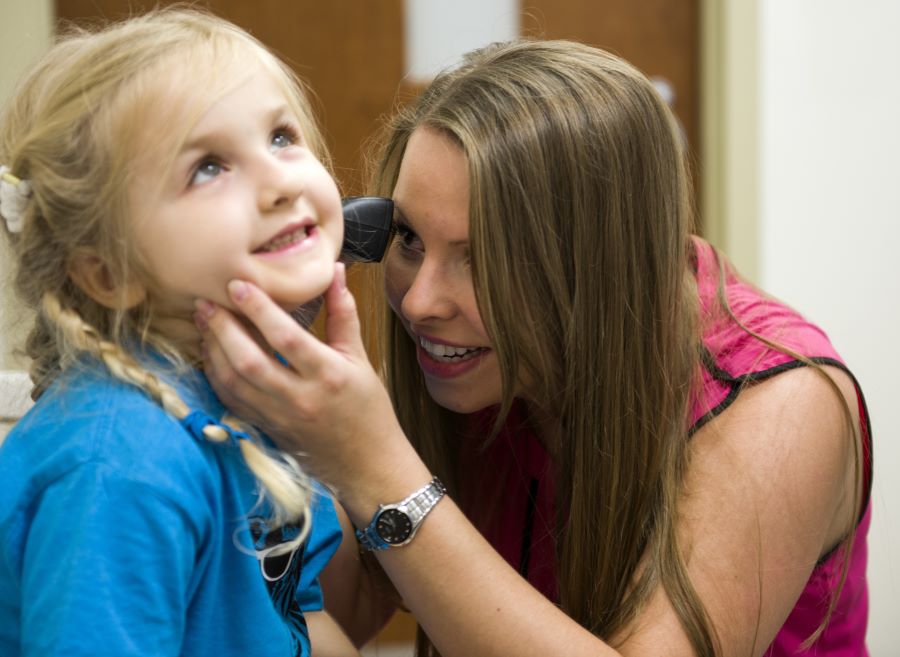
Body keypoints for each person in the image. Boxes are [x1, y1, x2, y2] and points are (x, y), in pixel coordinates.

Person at [197, 40, 872, 657]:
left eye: (482, 257)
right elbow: (329, 610)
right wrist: (273, 410)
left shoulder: (781, 400)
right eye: (408, 239)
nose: (423, 300)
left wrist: (378, 470)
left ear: (602, 267)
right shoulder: (473, 359)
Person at [0, 8, 359, 657]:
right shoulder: (122, 462)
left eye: (280, 136)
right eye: (207, 167)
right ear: (109, 272)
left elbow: (294, 616)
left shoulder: (250, 399)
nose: (280, 181)